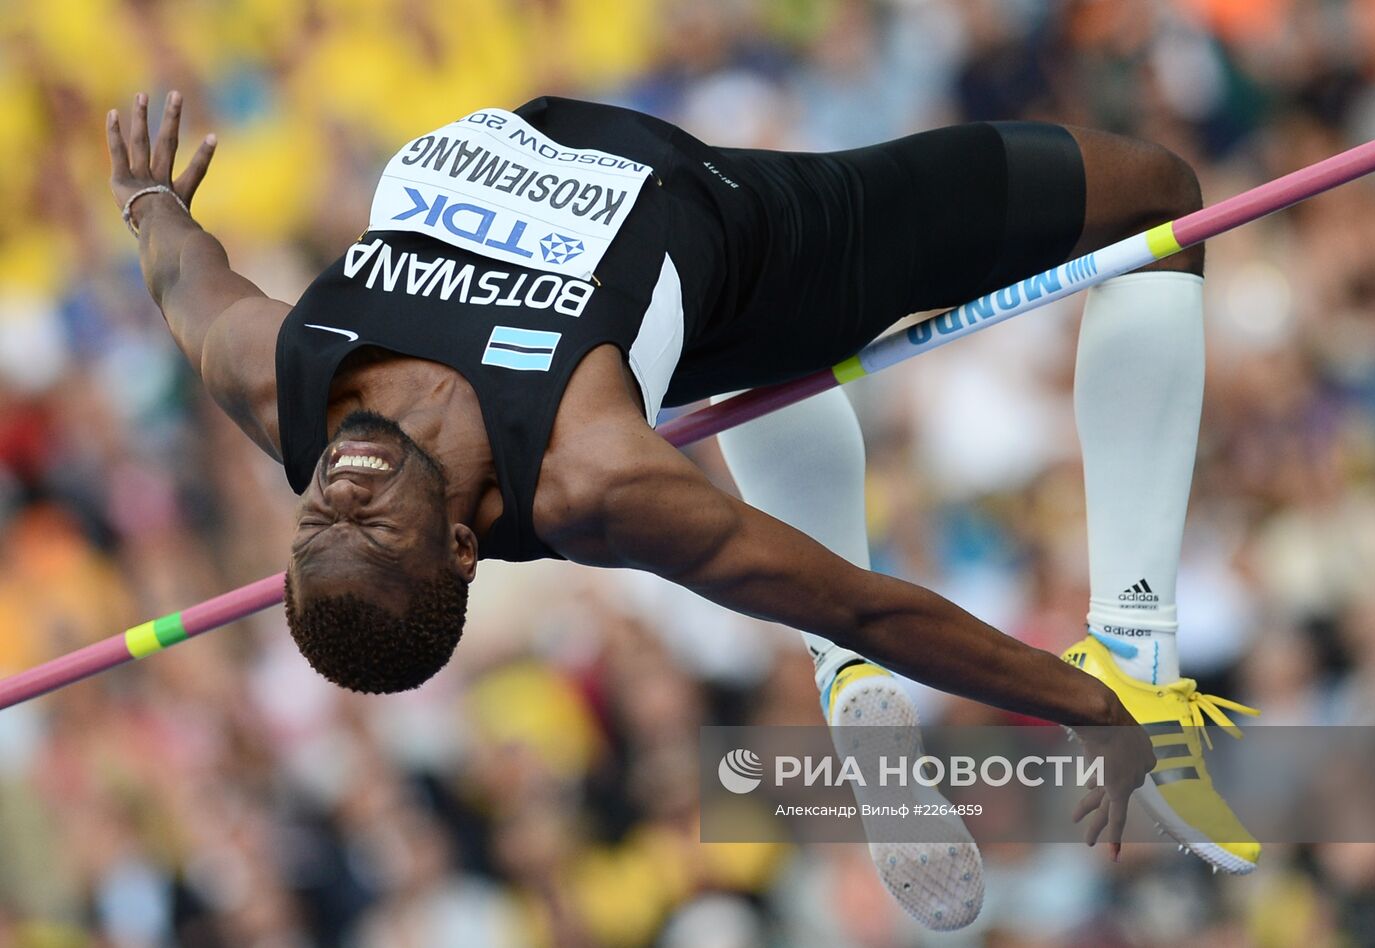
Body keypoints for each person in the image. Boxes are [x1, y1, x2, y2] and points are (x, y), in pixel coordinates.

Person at [105, 89, 1258, 930]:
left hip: (584, 183)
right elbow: (866, 603)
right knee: (1150, 201)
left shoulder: (278, 382)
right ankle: (1130, 645)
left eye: (312, 523)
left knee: (723, 369)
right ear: (462, 545)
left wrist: (152, 197)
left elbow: (186, 282)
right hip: (739, 227)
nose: (339, 496)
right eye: (371, 531)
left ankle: (850, 694)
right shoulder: (589, 476)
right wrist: (1087, 709)